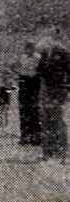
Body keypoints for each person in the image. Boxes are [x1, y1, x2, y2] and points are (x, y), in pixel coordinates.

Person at [35, 26, 69, 162]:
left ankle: (63, 153)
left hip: (60, 89)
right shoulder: (45, 53)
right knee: (46, 120)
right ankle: (47, 152)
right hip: (47, 88)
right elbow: (40, 71)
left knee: (59, 121)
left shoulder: (64, 53)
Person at [16, 41, 42, 145]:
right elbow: (20, 69)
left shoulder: (38, 58)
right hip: (24, 82)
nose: (28, 50)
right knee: (24, 111)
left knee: (34, 111)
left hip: (34, 82)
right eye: (27, 48)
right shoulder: (23, 57)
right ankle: (25, 136)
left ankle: (36, 137)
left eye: (30, 48)